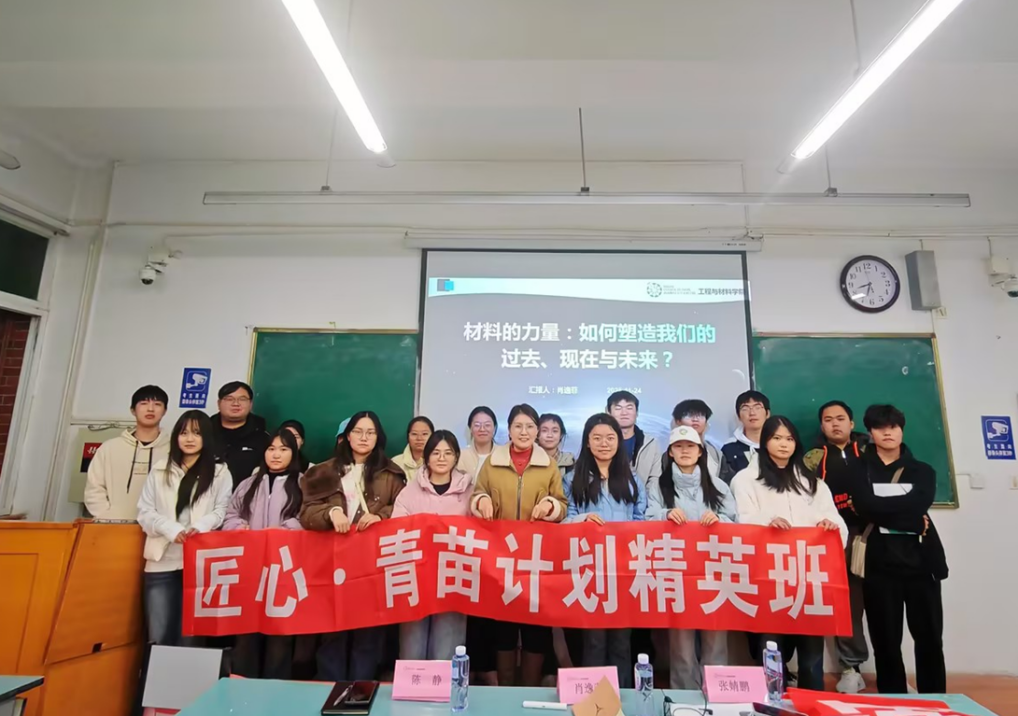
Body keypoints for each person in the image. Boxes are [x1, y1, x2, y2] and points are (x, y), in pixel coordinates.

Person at [730, 415, 847, 691]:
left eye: (790, 439)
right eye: (776, 438)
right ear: (764, 442)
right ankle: (771, 701)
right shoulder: (746, 480)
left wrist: (829, 526)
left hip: (808, 576)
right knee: (770, 646)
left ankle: (812, 700)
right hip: (768, 576)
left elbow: (834, 520)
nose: (784, 444)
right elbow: (741, 521)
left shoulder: (812, 482)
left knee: (811, 649)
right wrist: (767, 522)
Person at [299, 411, 406, 681]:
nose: (363, 438)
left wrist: (381, 517)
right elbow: (306, 513)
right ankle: (331, 688)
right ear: (347, 436)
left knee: (368, 634)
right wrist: (331, 513)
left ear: (378, 437)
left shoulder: (392, 474)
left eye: (370, 432)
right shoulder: (322, 471)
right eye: (358, 431)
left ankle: (361, 691)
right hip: (332, 563)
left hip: (371, 565)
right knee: (332, 632)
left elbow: (404, 511)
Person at [852, 405, 947, 695]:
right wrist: (910, 519)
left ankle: (934, 699)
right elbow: (865, 506)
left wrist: (881, 509)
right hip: (879, 565)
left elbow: (918, 504)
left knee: (929, 638)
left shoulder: (923, 470)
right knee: (886, 641)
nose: (888, 432)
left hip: (922, 563)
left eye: (893, 426)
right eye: (880, 427)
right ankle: (894, 700)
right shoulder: (858, 469)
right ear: (870, 432)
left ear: (901, 430)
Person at [472, 403, 567, 686]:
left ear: (536, 431)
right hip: (501, 560)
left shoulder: (548, 465)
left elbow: (562, 504)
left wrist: (550, 506)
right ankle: (505, 695)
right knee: (503, 630)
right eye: (518, 426)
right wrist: (481, 501)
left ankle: (529, 690)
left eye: (529, 427)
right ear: (509, 430)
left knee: (536, 629)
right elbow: (477, 493)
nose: (524, 432)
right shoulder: (493, 462)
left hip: (536, 561)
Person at [648, 425, 737, 689]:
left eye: (690, 446)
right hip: (676, 573)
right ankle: (684, 697)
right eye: (678, 446)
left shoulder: (718, 486)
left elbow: (736, 523)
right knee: (681, 643)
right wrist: (665, 515)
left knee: (715, 639)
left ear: (700, 452)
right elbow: (646, 519)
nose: (685, 451)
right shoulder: (659, 486)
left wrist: (719, 519)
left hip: (714, 571)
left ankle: (717, 694)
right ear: (671, 453)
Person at [136, 410, 233, 646]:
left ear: (206, 437)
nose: (189, 439)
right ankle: (157, 672)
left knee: (190, 637)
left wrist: (200, 527)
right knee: (158, 636)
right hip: (161, 562)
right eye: (184, 433)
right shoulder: (160, 469)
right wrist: (170, 529)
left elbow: (222, 510)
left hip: (199, 564)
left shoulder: (220, 472)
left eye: (197, 433)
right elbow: (145, 511)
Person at [564, 413, 646, 687]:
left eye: (610, 438)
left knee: (622, 641)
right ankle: (592, 698)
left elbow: (642, 519)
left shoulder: (632, 478)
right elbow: (565, 519)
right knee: (594, 640)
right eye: (597, 438)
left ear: (619, 441)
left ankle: (622, 697)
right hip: (589, 571)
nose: (604, 443)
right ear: (587, 442)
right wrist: (582, 520)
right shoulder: (573, 479)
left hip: (623, 571)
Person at [223, 428, 304, 678]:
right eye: (271, 449)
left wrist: (283, 530)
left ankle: (275, 691)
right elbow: (230, 514)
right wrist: (239, 527)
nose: (276, 455)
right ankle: (242, 688)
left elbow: (309, 519)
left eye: (283, 449)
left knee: (280, 637)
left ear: (294, 453)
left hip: (284, 572)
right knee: (246, 634)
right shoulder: (249, 483)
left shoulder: (303, 483)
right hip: (250, 571)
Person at [803, 401, 869, 694]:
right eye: (828, 419)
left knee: (884, 602)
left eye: (840, 418)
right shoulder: (813, 457)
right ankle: (850, 667)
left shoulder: (869, 449)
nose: (835, 424)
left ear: (851, 423)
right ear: (822, 426)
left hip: (876, 533)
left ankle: (891, 669)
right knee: (848, 602)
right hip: (836, 537)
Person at [391, 430, 472, 660]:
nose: (442, 458)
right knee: (412, 648)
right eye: (436, 453)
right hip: (416, 579)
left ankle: (444, 685)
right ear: (426, 457)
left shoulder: (470, 492)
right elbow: (396, 530)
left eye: (448, 453)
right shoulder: (409, 492)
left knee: (447, 649)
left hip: (453, 579)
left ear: (456, 457)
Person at [84, 385, 171, 520]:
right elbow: (94, 489)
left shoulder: (173, 450)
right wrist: (107, 517)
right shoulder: (109, 448)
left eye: (157, 404)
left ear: (165, 411)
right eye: (143, 403)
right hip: (113, 526)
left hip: (159, 528)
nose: (150, 409)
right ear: (132, 410)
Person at [211, 381, 269, 488]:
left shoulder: (263, 436)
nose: (236, 403)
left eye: (242, 399)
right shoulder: (204, 432)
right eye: (229, 399)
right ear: (219, 404)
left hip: (248, 495)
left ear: (250, 404)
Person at [672, 399, 734, 484]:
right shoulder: (671, 453)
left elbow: (727, 482)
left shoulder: (716, 454)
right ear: (678, 421)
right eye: (689, 415)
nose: (695, 419)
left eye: (701, 415)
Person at [606, 391, 661, 487]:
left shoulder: (650, 443)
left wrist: (643, 496)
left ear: (637, 413)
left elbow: (655, 479)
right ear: (608, 413)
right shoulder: (599, 442)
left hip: (643, 495)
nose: (624, 413)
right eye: (618, 408)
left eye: (629, 408)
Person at [722, 390, 770, 474]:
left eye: (757, 407)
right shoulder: (729, 449)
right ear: (738, 416)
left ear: (767, 413)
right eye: (745, 409)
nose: (752, 413)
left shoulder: (778, 444)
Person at [458, 406, 498, 479]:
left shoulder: (504, 454)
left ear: (494, 427)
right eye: (477, 425)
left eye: (487, 425)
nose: (482, 429)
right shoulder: (460, 456)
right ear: (470, 428)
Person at [392, 416, 435, 483]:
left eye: (424, 434)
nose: (419, 438)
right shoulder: (396, 463)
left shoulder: (439, 462)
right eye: (414, 434)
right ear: (408, 437)